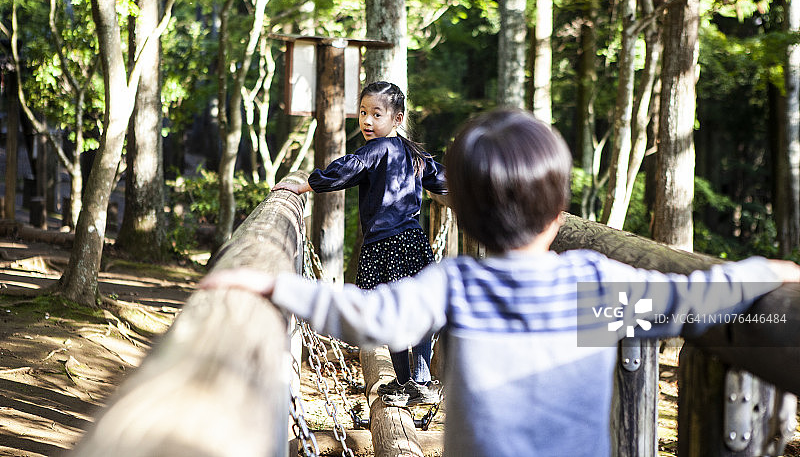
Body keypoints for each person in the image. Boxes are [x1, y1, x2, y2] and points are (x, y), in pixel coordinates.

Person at [203, 107, 800, 457]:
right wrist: (760, 273)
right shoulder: (594, 283)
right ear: (559, 211)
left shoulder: (459, 284)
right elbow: (693, 300)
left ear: (463, 214)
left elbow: (372, 316)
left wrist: (277, 288)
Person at [273, 80, 447, 407]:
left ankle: (408, 381)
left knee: (392, 313)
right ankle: (420, 379)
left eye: (376, 114)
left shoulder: (375, 150)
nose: (367, 121)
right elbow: (443, 180)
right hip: (413, 241)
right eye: (363, 112)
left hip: (385, 246)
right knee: (418, 307)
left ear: (397, 119)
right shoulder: (414, 152)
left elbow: (345, 170)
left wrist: (307, 185)